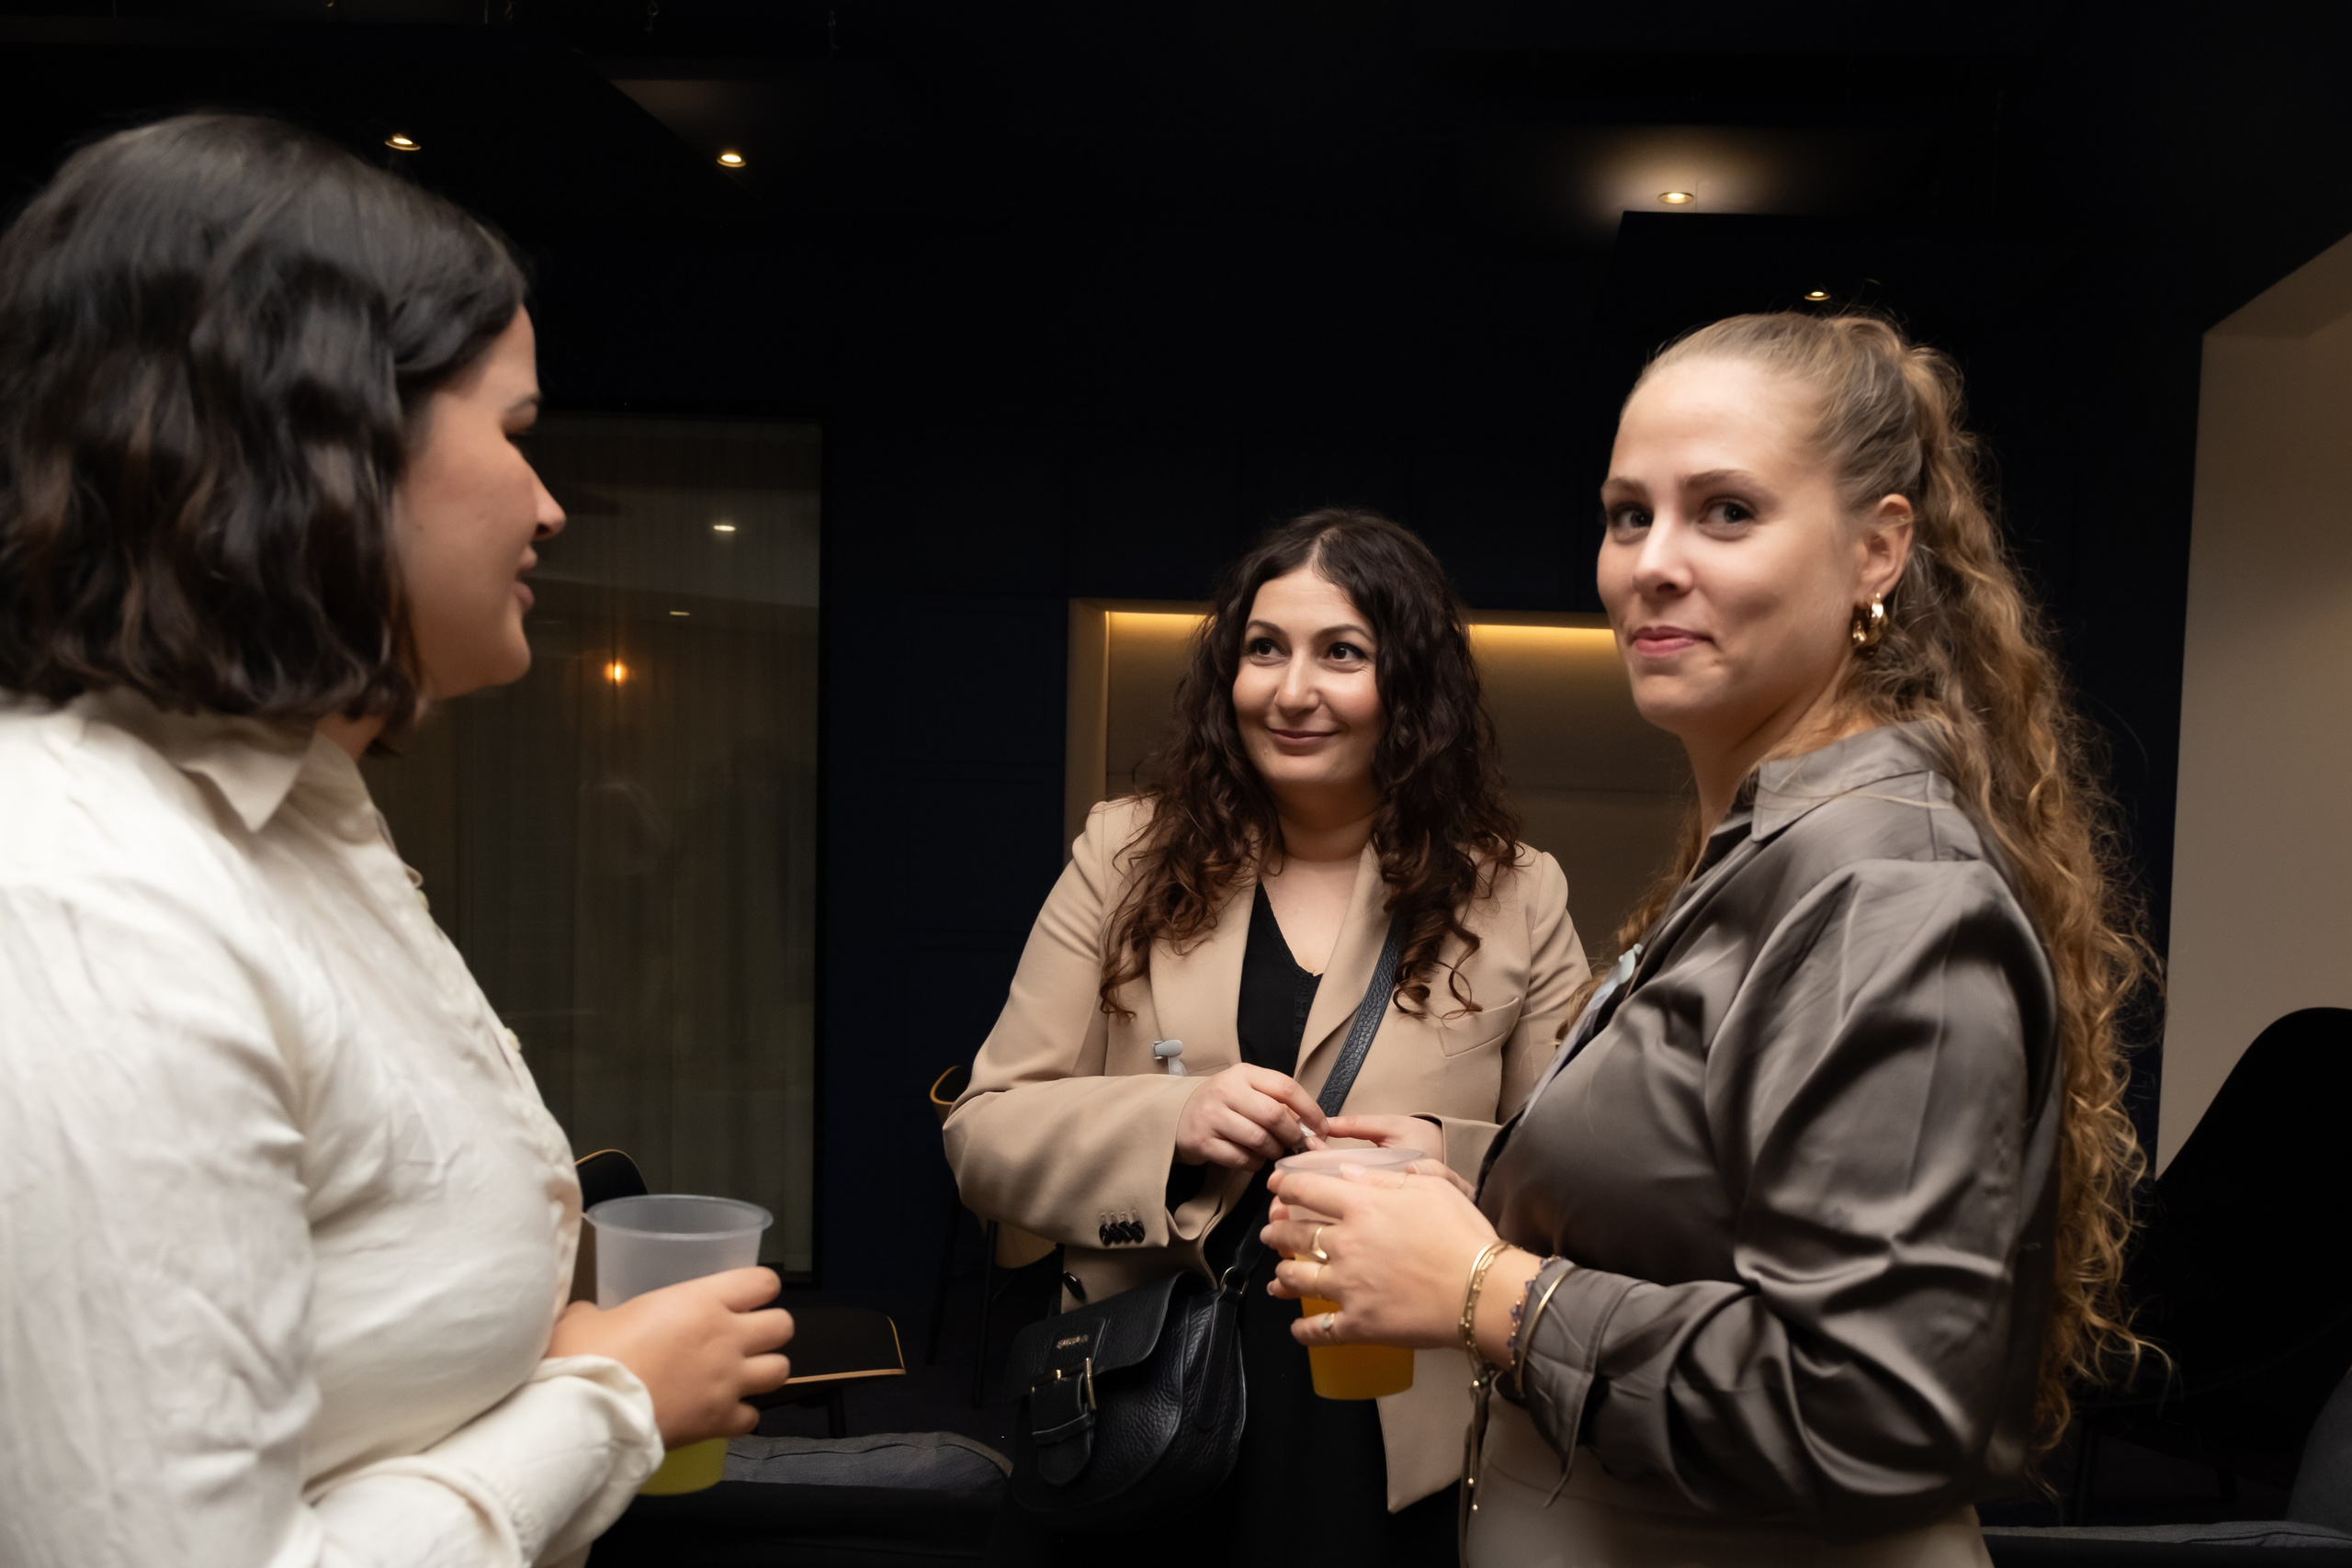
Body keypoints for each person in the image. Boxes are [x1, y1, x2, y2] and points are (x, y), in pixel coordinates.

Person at [0, 115, 792, 1567]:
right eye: (516, 432)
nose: (551, 508)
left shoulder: (297, 815)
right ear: (323, 433)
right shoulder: (78, 900)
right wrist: (606, 1401)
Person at [1263, 314, 2150, 1566]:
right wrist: (1484, 1183)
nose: (1650, 565)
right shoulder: (1772, 843)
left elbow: (1869, 1404)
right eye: (1629, 514)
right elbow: (1711, 1192)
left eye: (1725, 512)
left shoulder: (1892, 889)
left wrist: (1486, 1287)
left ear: (1877, 549)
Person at [944, 509, 1589, 1564]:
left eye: (1342, 653)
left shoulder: (1513, 892)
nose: (1291, 692)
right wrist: (1172, 1118)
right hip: (1140, 1403)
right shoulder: (1124, 857)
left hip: (1390, 1420)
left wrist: (1443, 1158)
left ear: (1412, 687)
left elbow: (1576, 1181)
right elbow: (982, 1135)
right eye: (1263, 650)